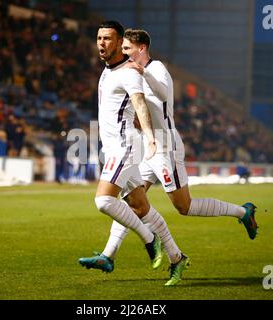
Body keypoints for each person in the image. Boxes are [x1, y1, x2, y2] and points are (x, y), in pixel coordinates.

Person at [82, 28, 259, 286]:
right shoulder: (125, 72)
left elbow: (164, 95)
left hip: (165, 146)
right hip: (143, 147)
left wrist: (144, 76)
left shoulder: (156, 68)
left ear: (141, 48)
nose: (125, 53)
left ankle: (242, 212)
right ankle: (109, 255)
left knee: (184, 207)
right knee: (133, 201)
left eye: (128, 49)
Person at [79, 21, 188, 284]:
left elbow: (140, 104)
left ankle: (150, 241)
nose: (102, 43)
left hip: (126, 146)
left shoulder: (129, 72)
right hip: (113, 147)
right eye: (99, 38)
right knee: (141, 207)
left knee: (103, 201)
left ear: (120, 44)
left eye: (108, 39)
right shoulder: (107, 71)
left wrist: (150, 138)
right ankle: (176, 257)